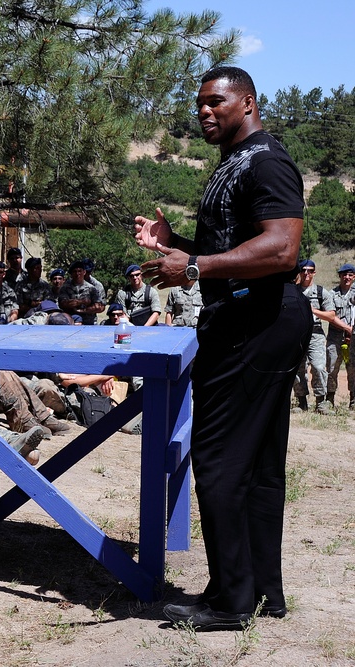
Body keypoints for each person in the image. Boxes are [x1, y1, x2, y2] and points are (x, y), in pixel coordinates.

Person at [135, 66, 312, 631]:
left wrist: (194, 265)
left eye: (216, 101)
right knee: (258, 467)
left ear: (249, 103)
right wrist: (179, 246)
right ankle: (260, 592)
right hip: (249, 317)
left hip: (255, 322)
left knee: (216, 463)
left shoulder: (266, 160)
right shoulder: (234, 163)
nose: (205, 112)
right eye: (200, 105)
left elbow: (283, 249)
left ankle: (230, 602)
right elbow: (235, 249)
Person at [291, 259, 336, 414]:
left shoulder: (321, 292)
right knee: (298, 368)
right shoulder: (293, 291)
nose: (306, 273)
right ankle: (301, 401)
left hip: (315, 333)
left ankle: (321, 402)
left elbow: (331, 315)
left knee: (318, 367)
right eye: (303, 270)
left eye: (310, 270)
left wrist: (313, 310)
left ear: (314, 273)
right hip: (296, 334)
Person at [326, 263, 355, 409]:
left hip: (353, 337)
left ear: (354, 277)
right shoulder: (331, 294)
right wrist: (346, 328)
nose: (347, 277)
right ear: (340, 276)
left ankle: (353, 400)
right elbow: (331, 316)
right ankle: (329, 398)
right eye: (344, 275)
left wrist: (352, 331)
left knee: (353, 369)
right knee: (331, 368)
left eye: (350, 275)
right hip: (335, 336)